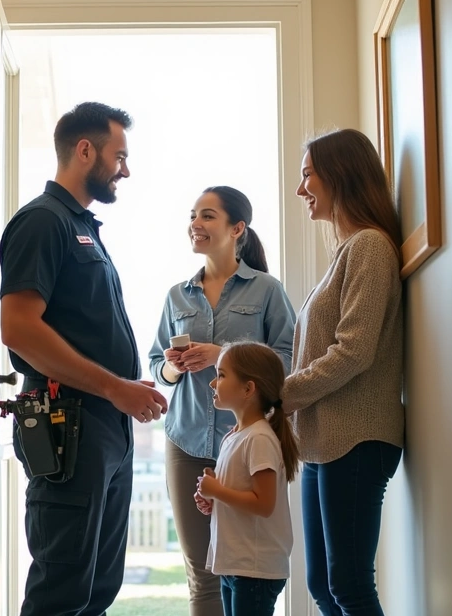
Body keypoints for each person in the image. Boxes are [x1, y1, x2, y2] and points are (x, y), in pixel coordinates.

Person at [0, 101, 169, 616]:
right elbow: (19, 329)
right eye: (120, 156)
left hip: (105, 424)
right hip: (67, 423)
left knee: (98, 588)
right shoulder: (42, 222)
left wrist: (123, 391)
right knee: (62, 590)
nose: (125, 170)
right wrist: (115, 387)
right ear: (86, 150)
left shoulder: (84, 227)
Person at [147, 186, 295, 616]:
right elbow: (156, 366)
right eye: (193, 215)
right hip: (187, 441)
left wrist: (222, 355)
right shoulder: (177, 296)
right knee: (203, 573)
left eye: (207, 215)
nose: (196, 223)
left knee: (244, 568)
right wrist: (173, 367)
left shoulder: (267, 290)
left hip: (246, 445)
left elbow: (288, 359)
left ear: (237, 228)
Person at [282, 128, 404, 616]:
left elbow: (353, 352)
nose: (301, 189)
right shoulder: (347, 251)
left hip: (356, 439)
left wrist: (279, 395)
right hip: (324, 441)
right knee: (323, 585)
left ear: (340, 174)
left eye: (308, 175)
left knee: (348, 586)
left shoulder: (369, 246)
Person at [194, 341, 300, 616]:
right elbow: (241, 494)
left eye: (221, 375)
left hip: (254, 569)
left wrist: (217, 491)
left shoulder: (259, 438)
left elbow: (263, 504)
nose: (212, 383)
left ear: (248, 389)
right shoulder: (235, 437)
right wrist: (213, 499)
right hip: (236, 564)